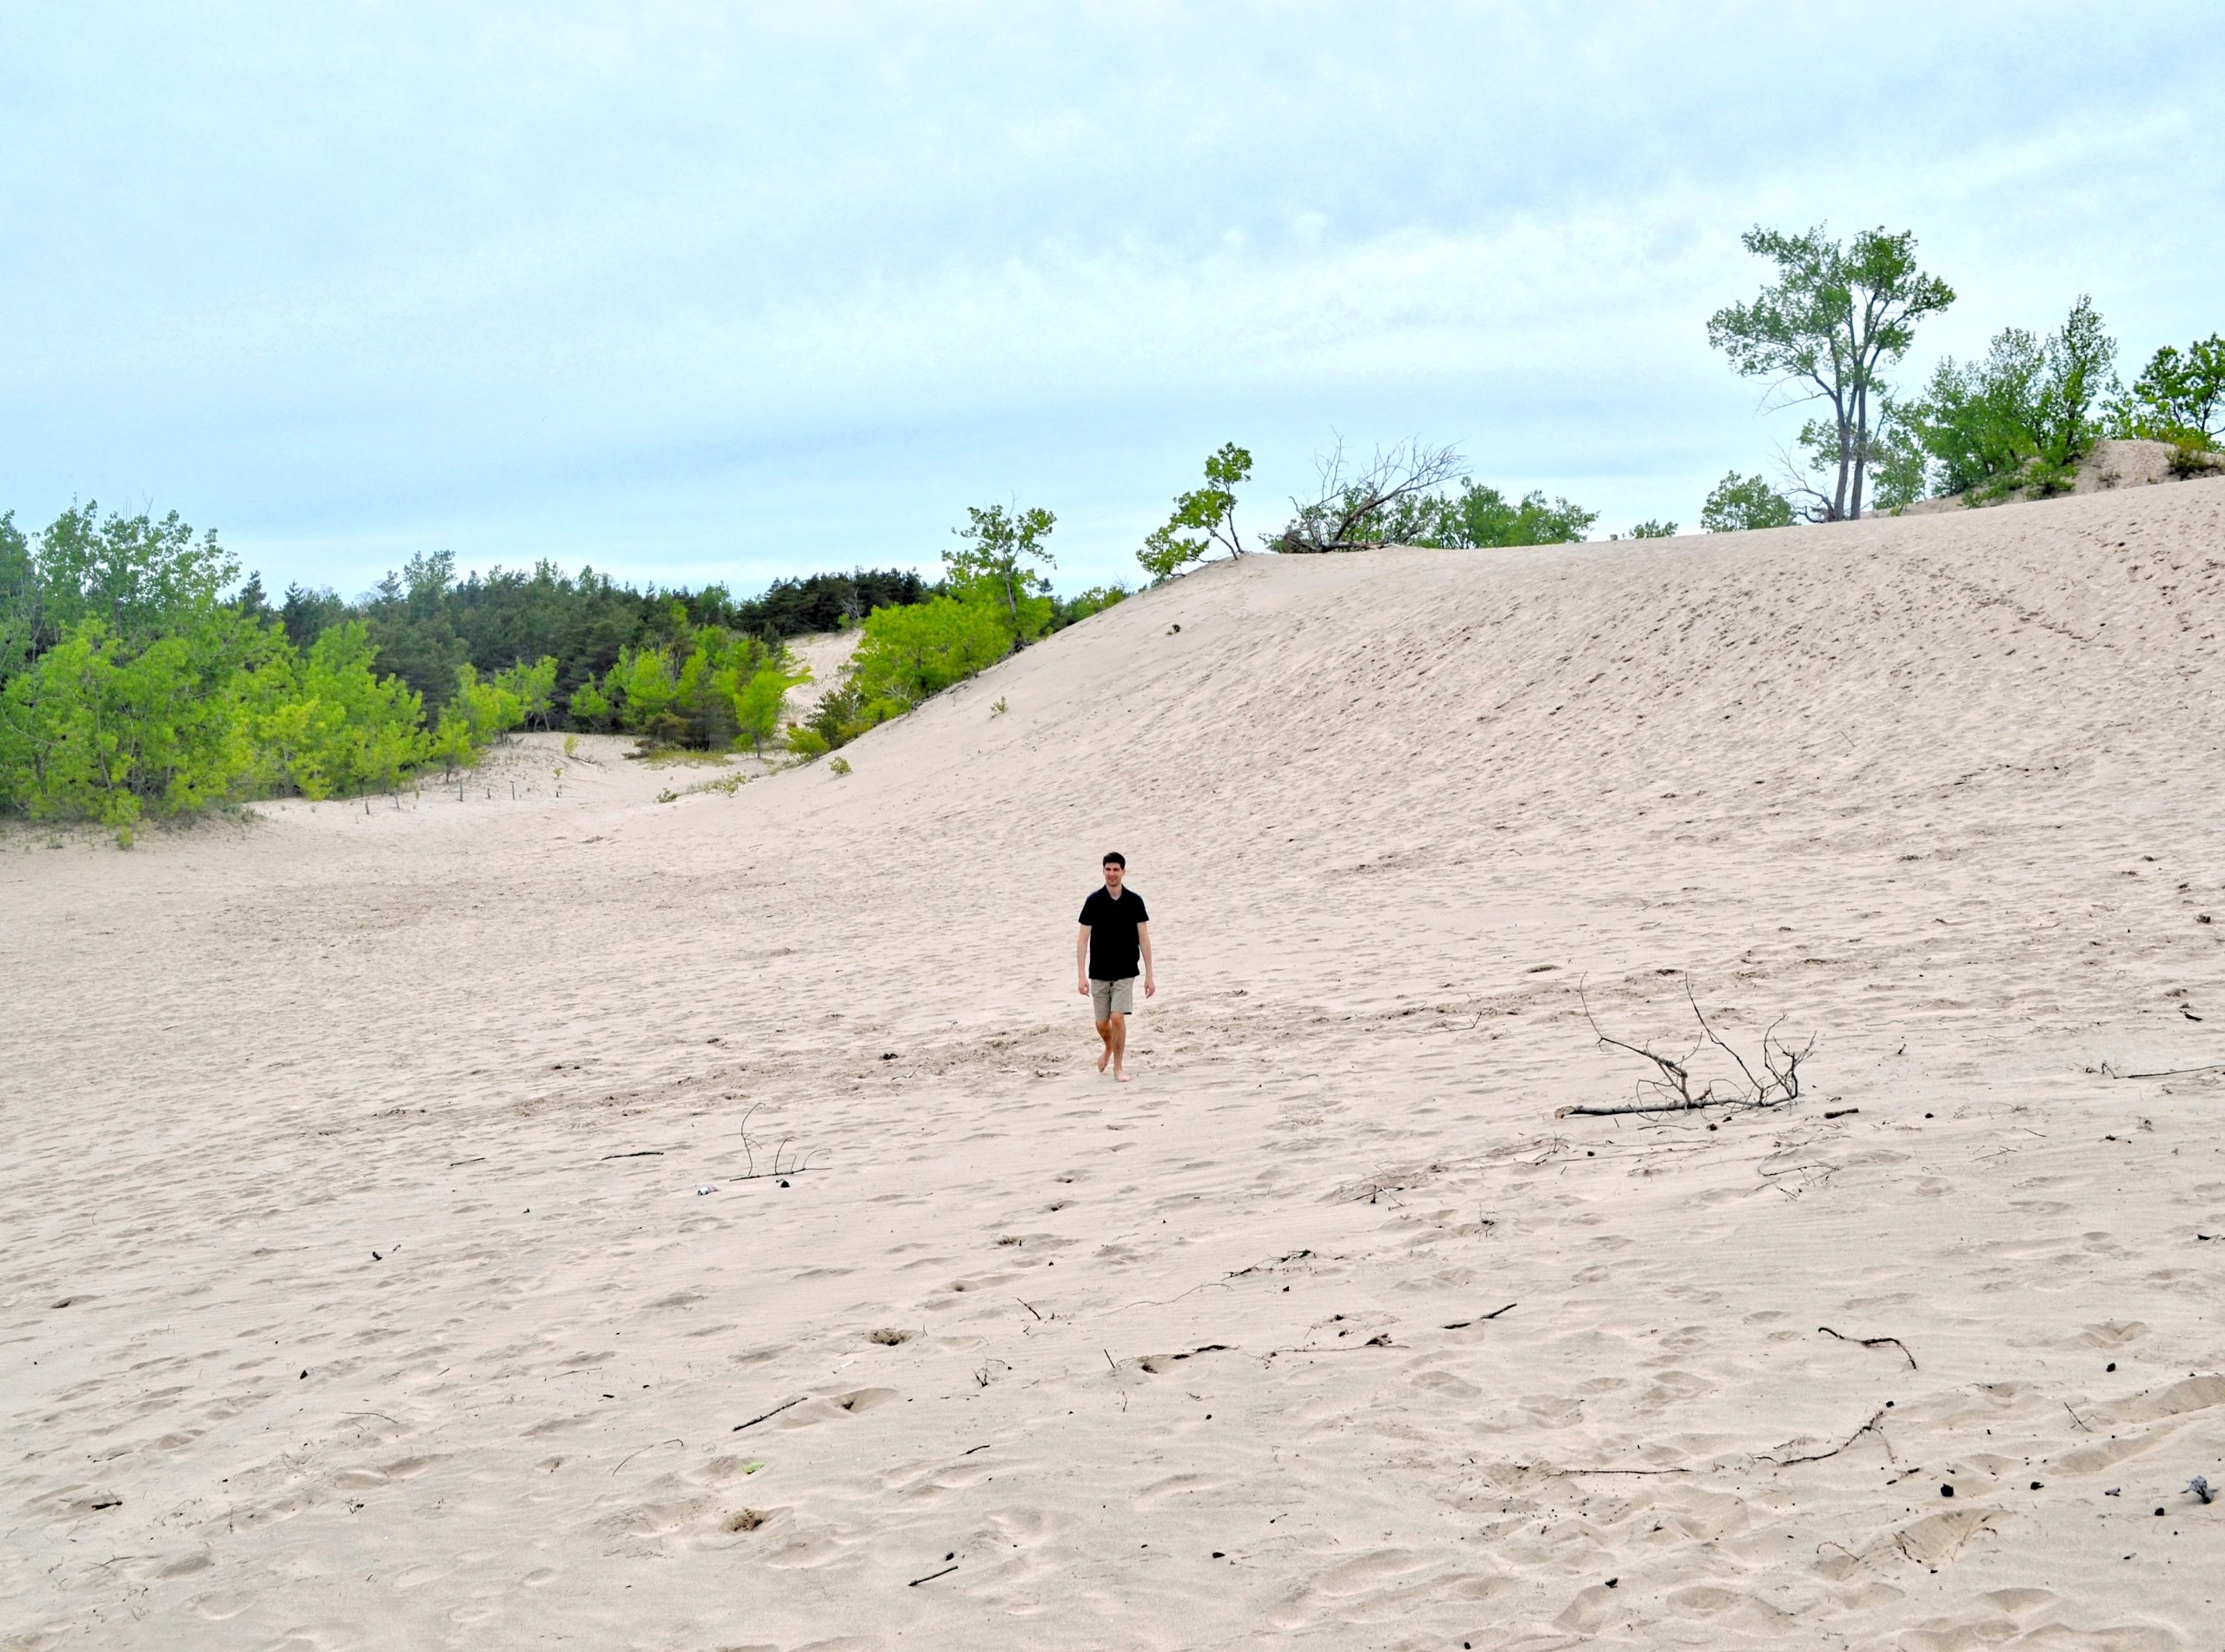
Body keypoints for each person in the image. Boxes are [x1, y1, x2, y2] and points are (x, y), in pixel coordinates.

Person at [1076, 851, 1154, 1081]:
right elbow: (1082, 940)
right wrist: (1081, 976)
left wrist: (1150, 976)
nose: (1112, 874)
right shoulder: (1093, 901)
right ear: (1103, 871)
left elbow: (1144, 939)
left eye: (1116, 870)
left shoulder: (1135, 901)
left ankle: (1118, 1067)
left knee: (1117, 1017)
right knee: (1102, 1024)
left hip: (1125, 970)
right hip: (1099, 972)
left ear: (1123, 872)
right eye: (1108, 869)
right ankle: (1109, 1047)